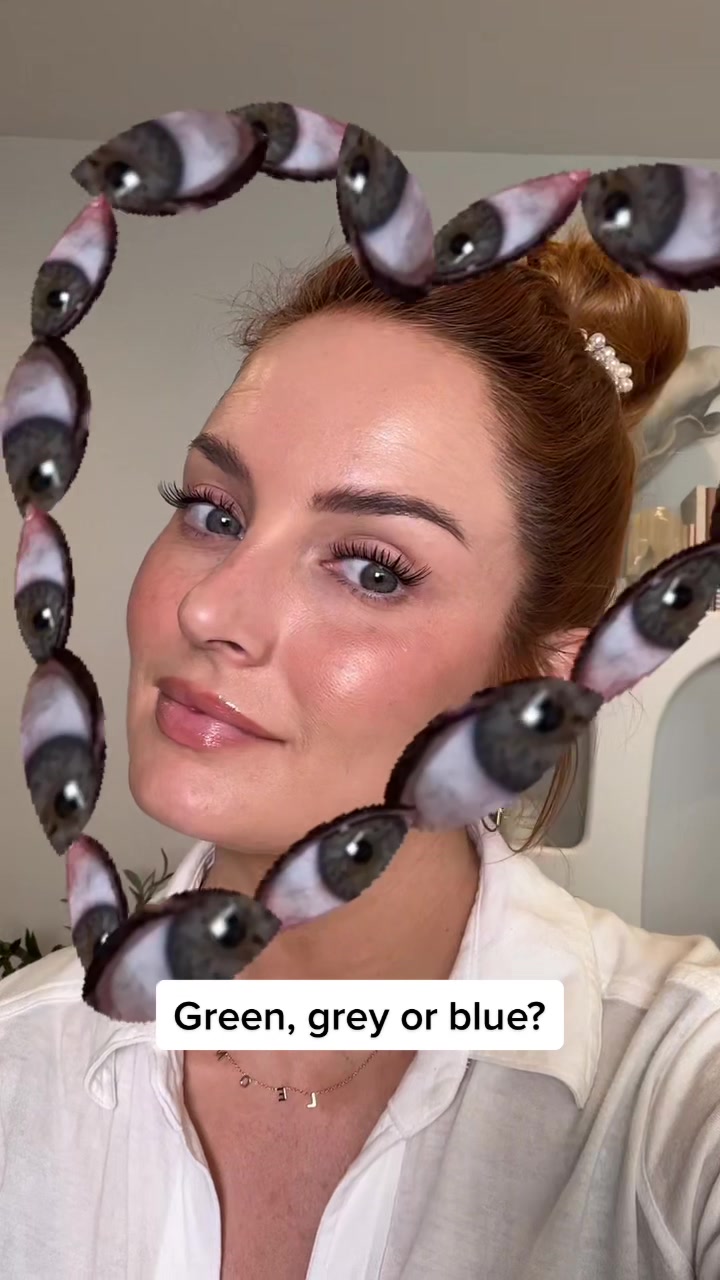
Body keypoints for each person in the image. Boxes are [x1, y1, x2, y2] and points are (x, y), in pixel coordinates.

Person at [1, 231, 718, 1280]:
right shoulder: (22, 1061)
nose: (209, 609)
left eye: (374, 569)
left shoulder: (674, 1089)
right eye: (213, 511)